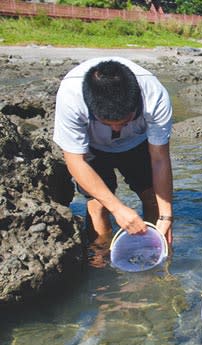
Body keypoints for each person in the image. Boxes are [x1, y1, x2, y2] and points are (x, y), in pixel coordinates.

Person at [53, 58, 174, 245]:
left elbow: (159, 159)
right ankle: (101, 259)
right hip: (92, 146)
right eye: (108, 124)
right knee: (98, 205)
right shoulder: (71, 96)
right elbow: (75, 160)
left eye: (125, 122)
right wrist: (118, 209)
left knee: (152, 199)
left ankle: (152, 253)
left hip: (137, 142)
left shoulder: (154, 95)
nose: (117, 130)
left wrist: (167, 216)